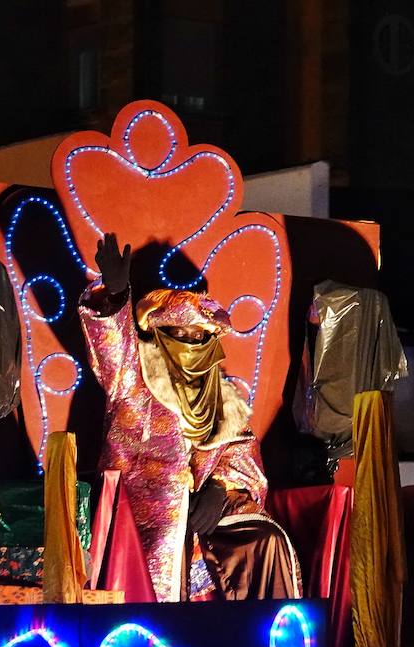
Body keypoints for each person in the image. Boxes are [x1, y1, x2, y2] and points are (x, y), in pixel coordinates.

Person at [78, 231, 302, 602]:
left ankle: (258, 632)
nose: (188, 343)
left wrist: (219, 487)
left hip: (201, 514)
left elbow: (240, 451)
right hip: (143, 510)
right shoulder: (132, 377)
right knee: (164, 543)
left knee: (266, 540)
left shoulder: (221, 395)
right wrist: (116, 296)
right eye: (177, 333)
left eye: (197, 336)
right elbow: (112, 348)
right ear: (158, 334)